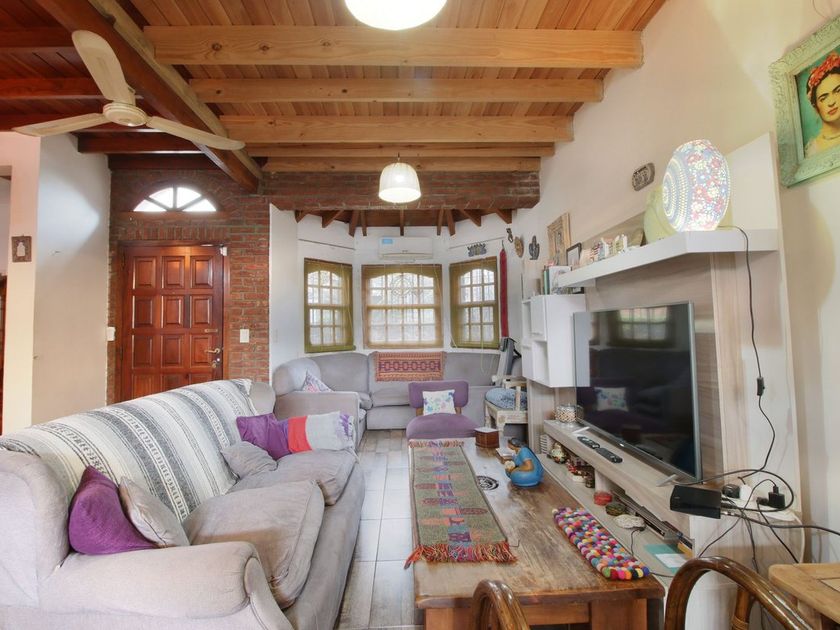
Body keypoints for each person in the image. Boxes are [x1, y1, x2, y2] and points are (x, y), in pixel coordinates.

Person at [805, 51, 840, 157]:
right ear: (815, 106)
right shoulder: (813, 150)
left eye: (838, 91)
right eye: (823, 98)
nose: (831, 102)